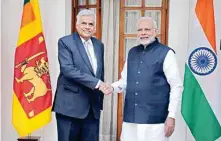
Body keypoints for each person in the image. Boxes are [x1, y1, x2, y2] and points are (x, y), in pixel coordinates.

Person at [112, 17, 183, 141]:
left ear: (155, 31)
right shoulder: (132, 52)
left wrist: (171, 116)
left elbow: (176, 86)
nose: (143, 33)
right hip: (131, 119)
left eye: (147, 29)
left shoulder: (166, 53)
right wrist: (110, 87)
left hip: (155, 120)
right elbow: (124, 82)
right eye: (140, 30)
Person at [52, 9, 112, 141]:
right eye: (84, 23)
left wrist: (104, 88)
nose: (87, 27)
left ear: (95, 27)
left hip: (92, 109)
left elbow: (99, 73)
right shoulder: (65, 42)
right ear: (77, 25)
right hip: (70, 108)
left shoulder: (99, 45)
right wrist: (98, 84)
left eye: (91, 24)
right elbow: (68, 70)